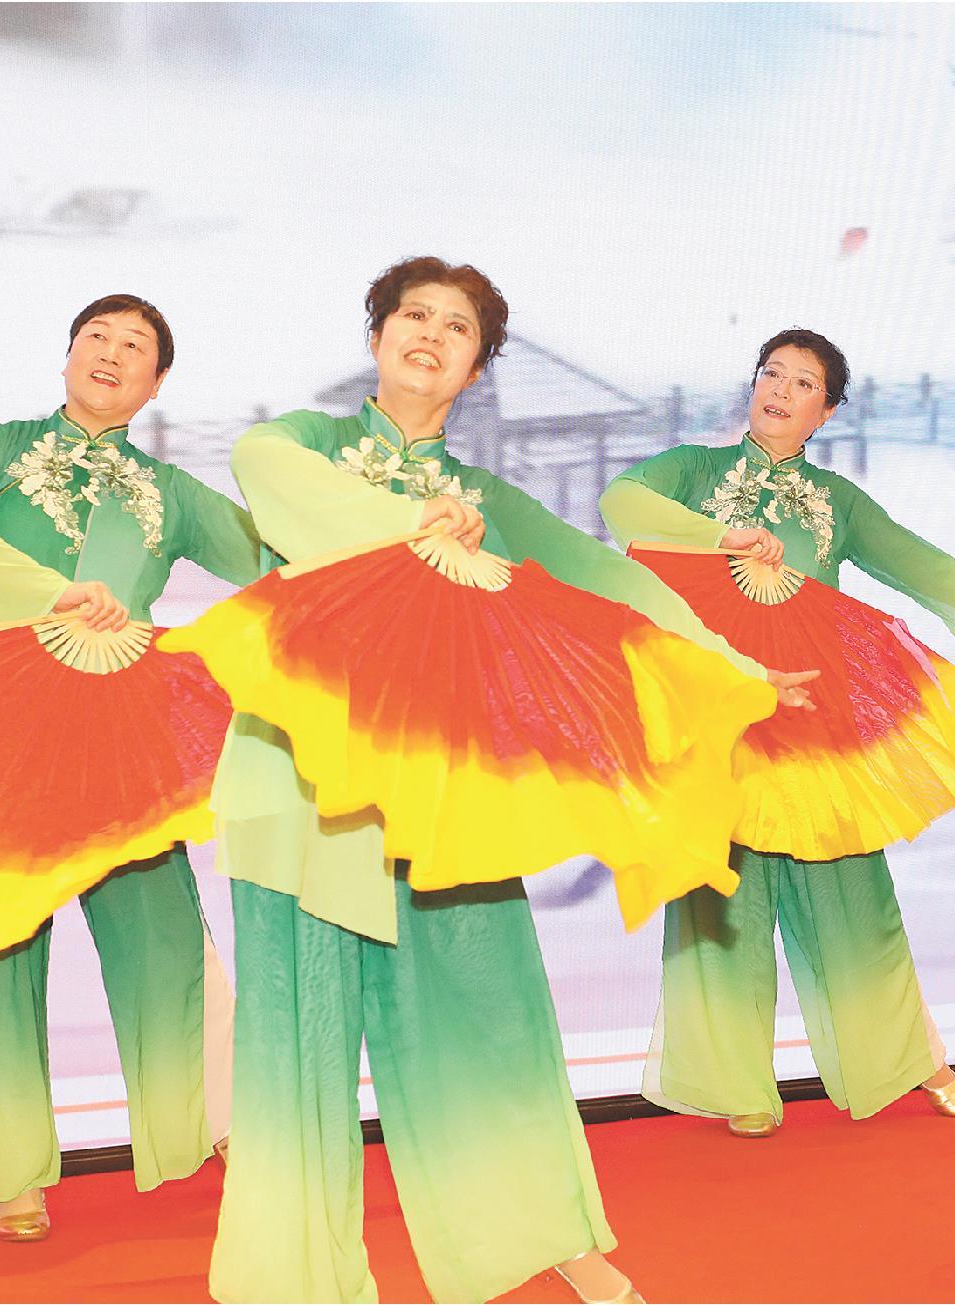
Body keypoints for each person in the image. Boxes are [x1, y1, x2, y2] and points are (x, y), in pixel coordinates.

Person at [206, 256, 815, 1305]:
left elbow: (609, 577)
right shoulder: (303, 443)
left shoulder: (486, 497)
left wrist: (733, 661)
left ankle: (545, 1233)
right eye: (413, 315)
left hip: (447, 785)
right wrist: (412, 526)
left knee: (493, 1015)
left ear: (479, 366)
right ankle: (291, 1276)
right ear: (376, 337)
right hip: (299, 780)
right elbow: (266, 473)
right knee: (295, 1042)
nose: (430, 335)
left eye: (458, 328)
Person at [600, 329, 955, 1138]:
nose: (780, 390)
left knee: (854, 899)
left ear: (826, 410)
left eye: (803, 382)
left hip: (815, 715)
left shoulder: (839, 500)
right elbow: (620, 502)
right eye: (772, 373)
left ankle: (912, 1058)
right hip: (722, 712)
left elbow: (931, 571)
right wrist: (720, 536)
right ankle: (736, 1083)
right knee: (722, 902)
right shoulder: (694, 471)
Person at [0, 294, 265, 1241]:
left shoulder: (169, 492)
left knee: (164, 931)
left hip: (114, 727)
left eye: (134, 345)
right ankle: (9, 1166)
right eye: (96, 337)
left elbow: (272, 555)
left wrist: (391, 541)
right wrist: (48, 594)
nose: (111, 352)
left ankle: (227, 1123)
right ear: (68, 354)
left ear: (157, 380)